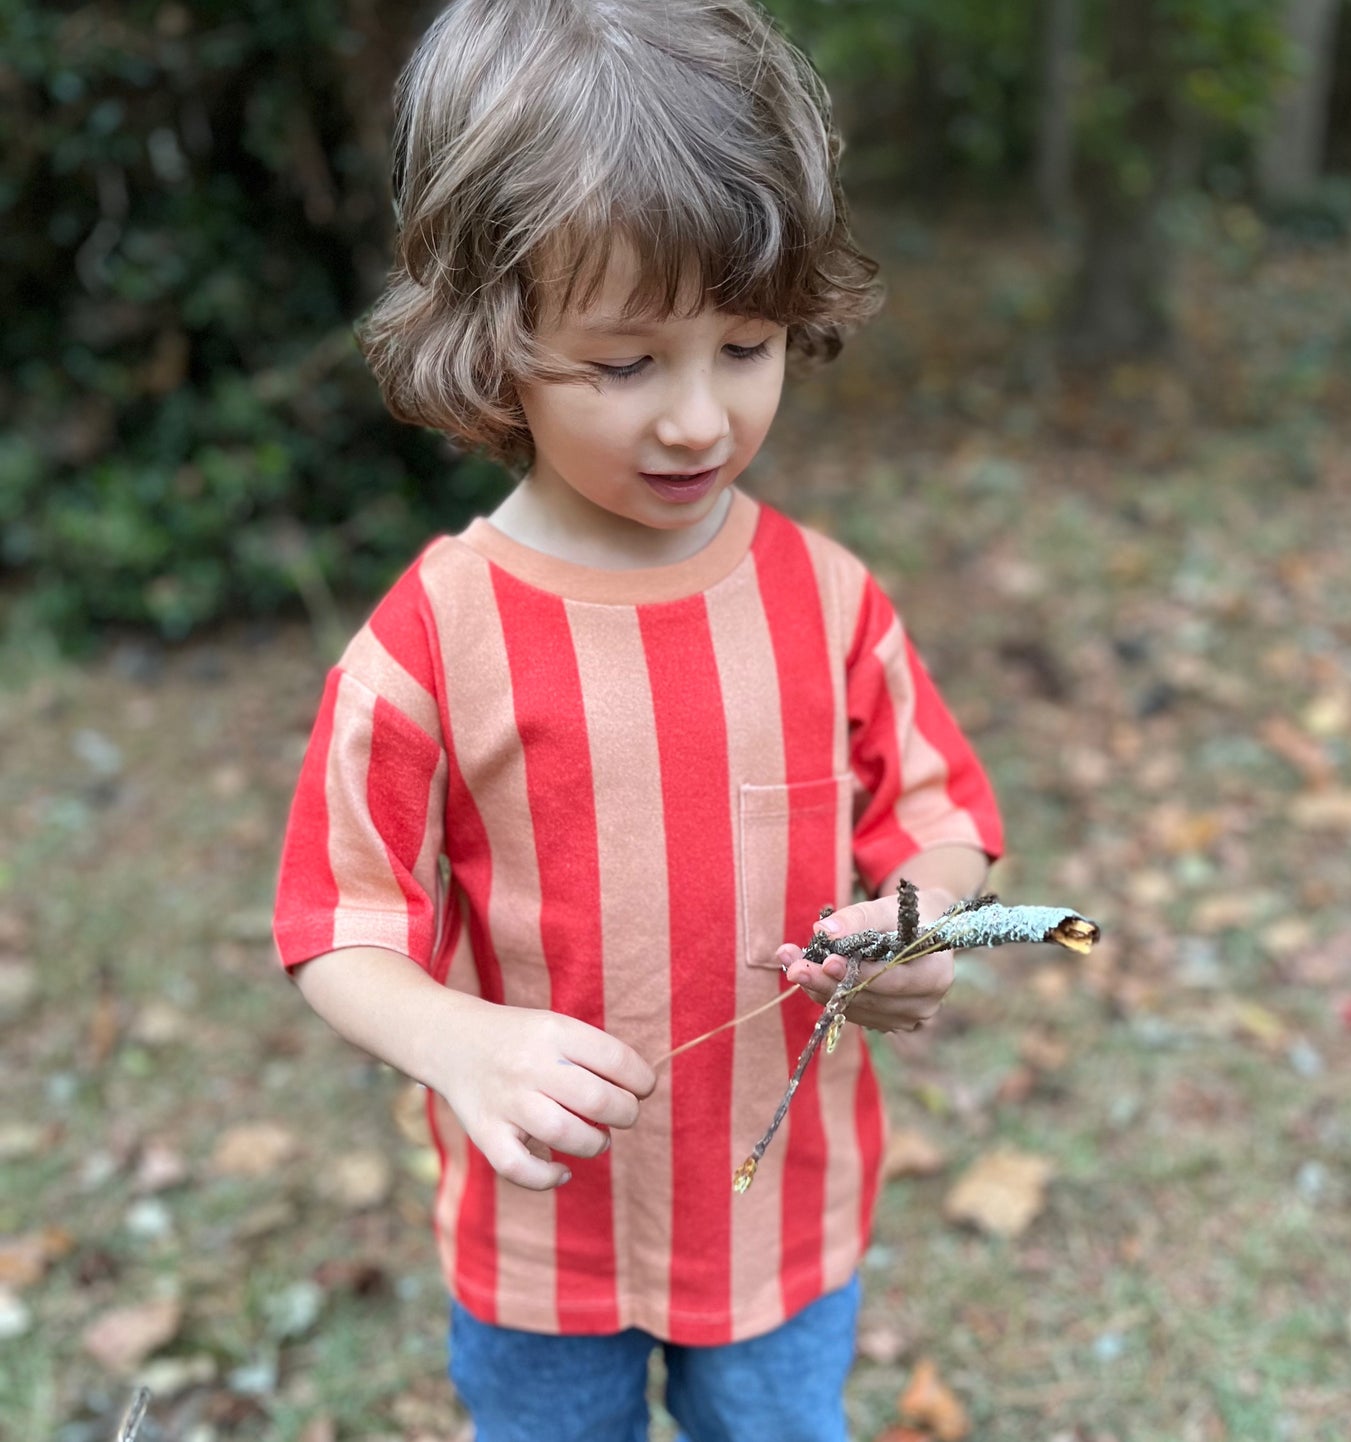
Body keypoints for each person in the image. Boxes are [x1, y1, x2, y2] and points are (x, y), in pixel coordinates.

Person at [272, 0, 1004, 1437]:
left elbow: (939, 819)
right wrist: (458, 1041)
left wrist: (921, 919)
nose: (696, 420)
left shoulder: (829, 599)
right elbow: (335, 928)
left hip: (781, 1218)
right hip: (539, 1243)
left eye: (746, 344)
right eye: (624, 363)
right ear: (492, 340)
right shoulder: (433, 636)